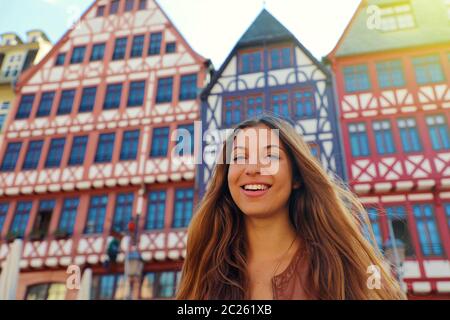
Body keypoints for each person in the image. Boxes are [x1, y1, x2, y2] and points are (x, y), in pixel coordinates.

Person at [177, 115, 405, 300]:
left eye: (271, 156)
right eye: (239, 157)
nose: (253, 168)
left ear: (296, 177)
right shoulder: (207, 265)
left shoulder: (340, 263)